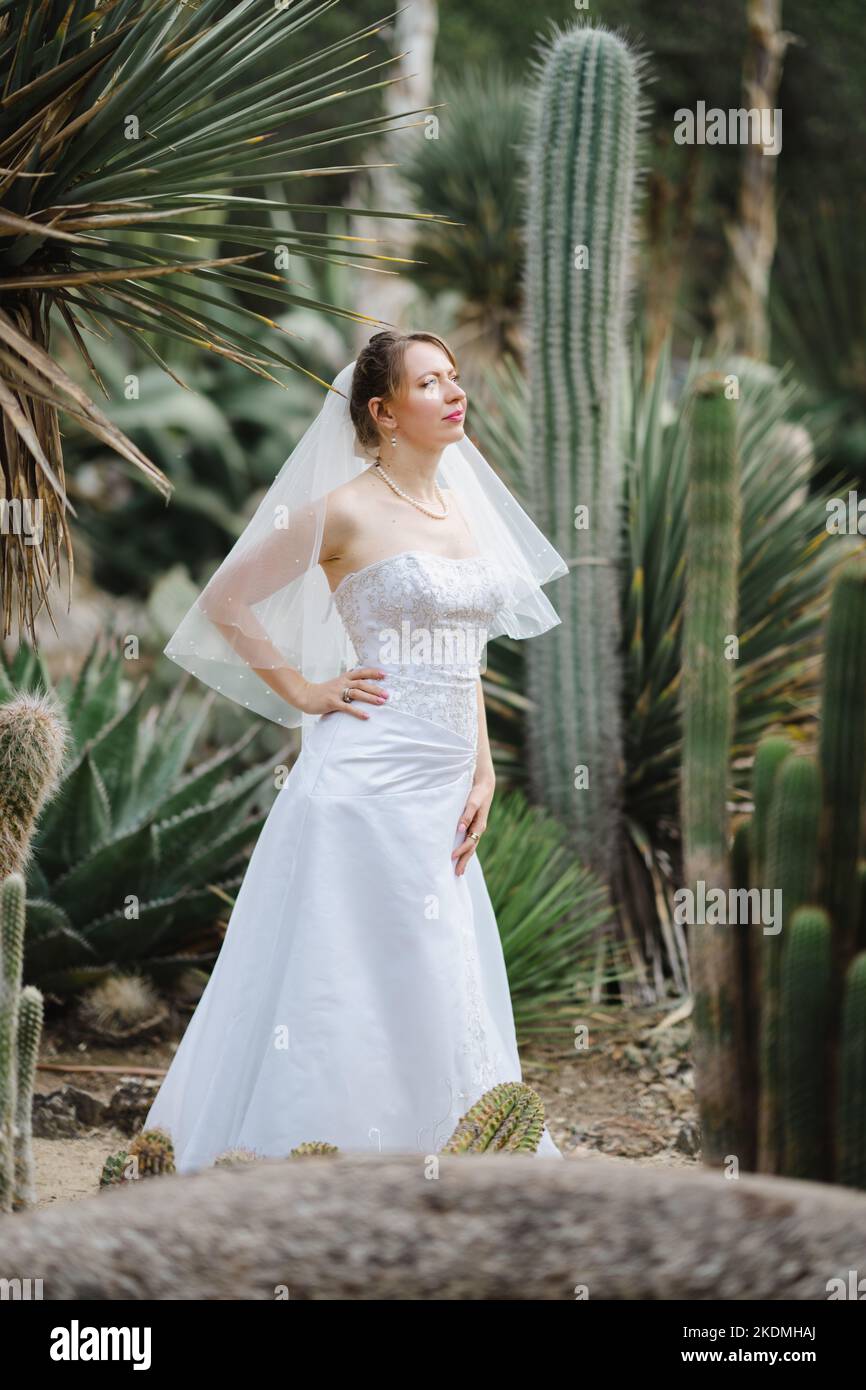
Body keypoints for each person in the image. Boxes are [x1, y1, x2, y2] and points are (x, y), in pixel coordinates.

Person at [144, 329, 569, 1169]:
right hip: (361, 783)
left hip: (444, 784)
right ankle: (308, 1164)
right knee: (345, 973)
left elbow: (465, 657)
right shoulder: (342, 509)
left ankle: (445, 1159)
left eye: (454, 377)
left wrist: (482, 767)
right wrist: (306, 692)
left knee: (436, 965)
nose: (454, 393)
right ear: (382, 411)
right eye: (429, 383)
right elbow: (227, 601)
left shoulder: (463, 508)